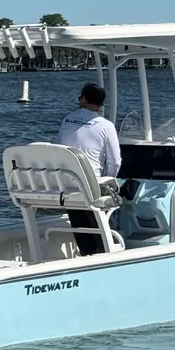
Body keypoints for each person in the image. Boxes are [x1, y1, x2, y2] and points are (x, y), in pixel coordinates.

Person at [57, 83, 121, 255]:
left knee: (80, 218)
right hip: (89, 188)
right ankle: (109, 251)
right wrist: (108, 181)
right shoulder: (106, 126)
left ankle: (86, 252)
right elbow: (115, 162)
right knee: (115, 196)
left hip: (65, 186)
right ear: (101, 104)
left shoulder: (67, 118)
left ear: (84, 99)